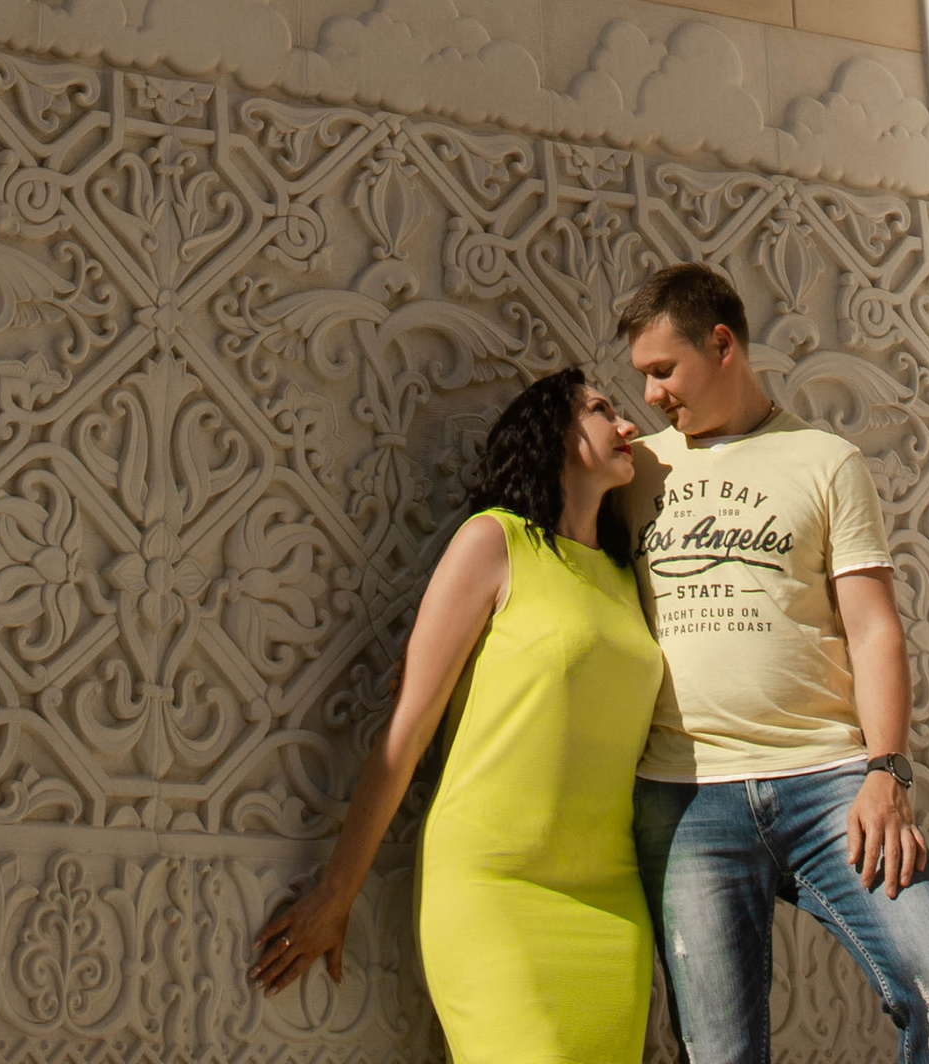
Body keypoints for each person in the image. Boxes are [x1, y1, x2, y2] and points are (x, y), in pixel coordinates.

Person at [620, 262, 929, 1064]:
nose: (650, 396)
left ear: (722, 344)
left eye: (662, 371)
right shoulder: (637, 472)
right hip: (684, 801)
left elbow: (874, 630)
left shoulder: (825, 461)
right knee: (718, 1053)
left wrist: (887, 770)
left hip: (831, 783)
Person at [251, 364, 664, 1062]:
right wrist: (335, 893)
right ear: (553, 437)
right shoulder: (493, 542)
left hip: (612, 905)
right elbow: (405, 734)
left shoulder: (627, 578)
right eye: (600, 410)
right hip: (496, 890)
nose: (626, 425)